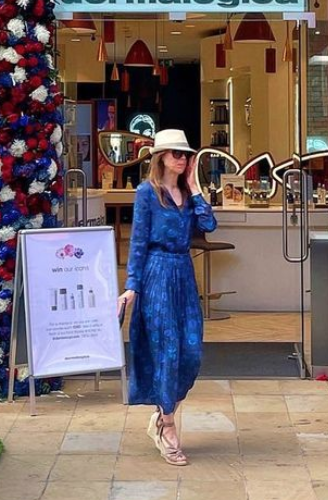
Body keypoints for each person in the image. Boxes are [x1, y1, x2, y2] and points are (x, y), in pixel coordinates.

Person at [117, 129, 216, 466]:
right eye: (176, 153)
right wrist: (132, 285)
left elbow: (209, 225)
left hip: (183, 274)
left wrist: (196, 187)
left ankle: (162, 413)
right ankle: (168, 425)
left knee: (191, 351)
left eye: (185, 154)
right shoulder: (147, 193)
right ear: (160, 157)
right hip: (156, 273)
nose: (182, 159)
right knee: (167, 350)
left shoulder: (188, 194)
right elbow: (138, 241)